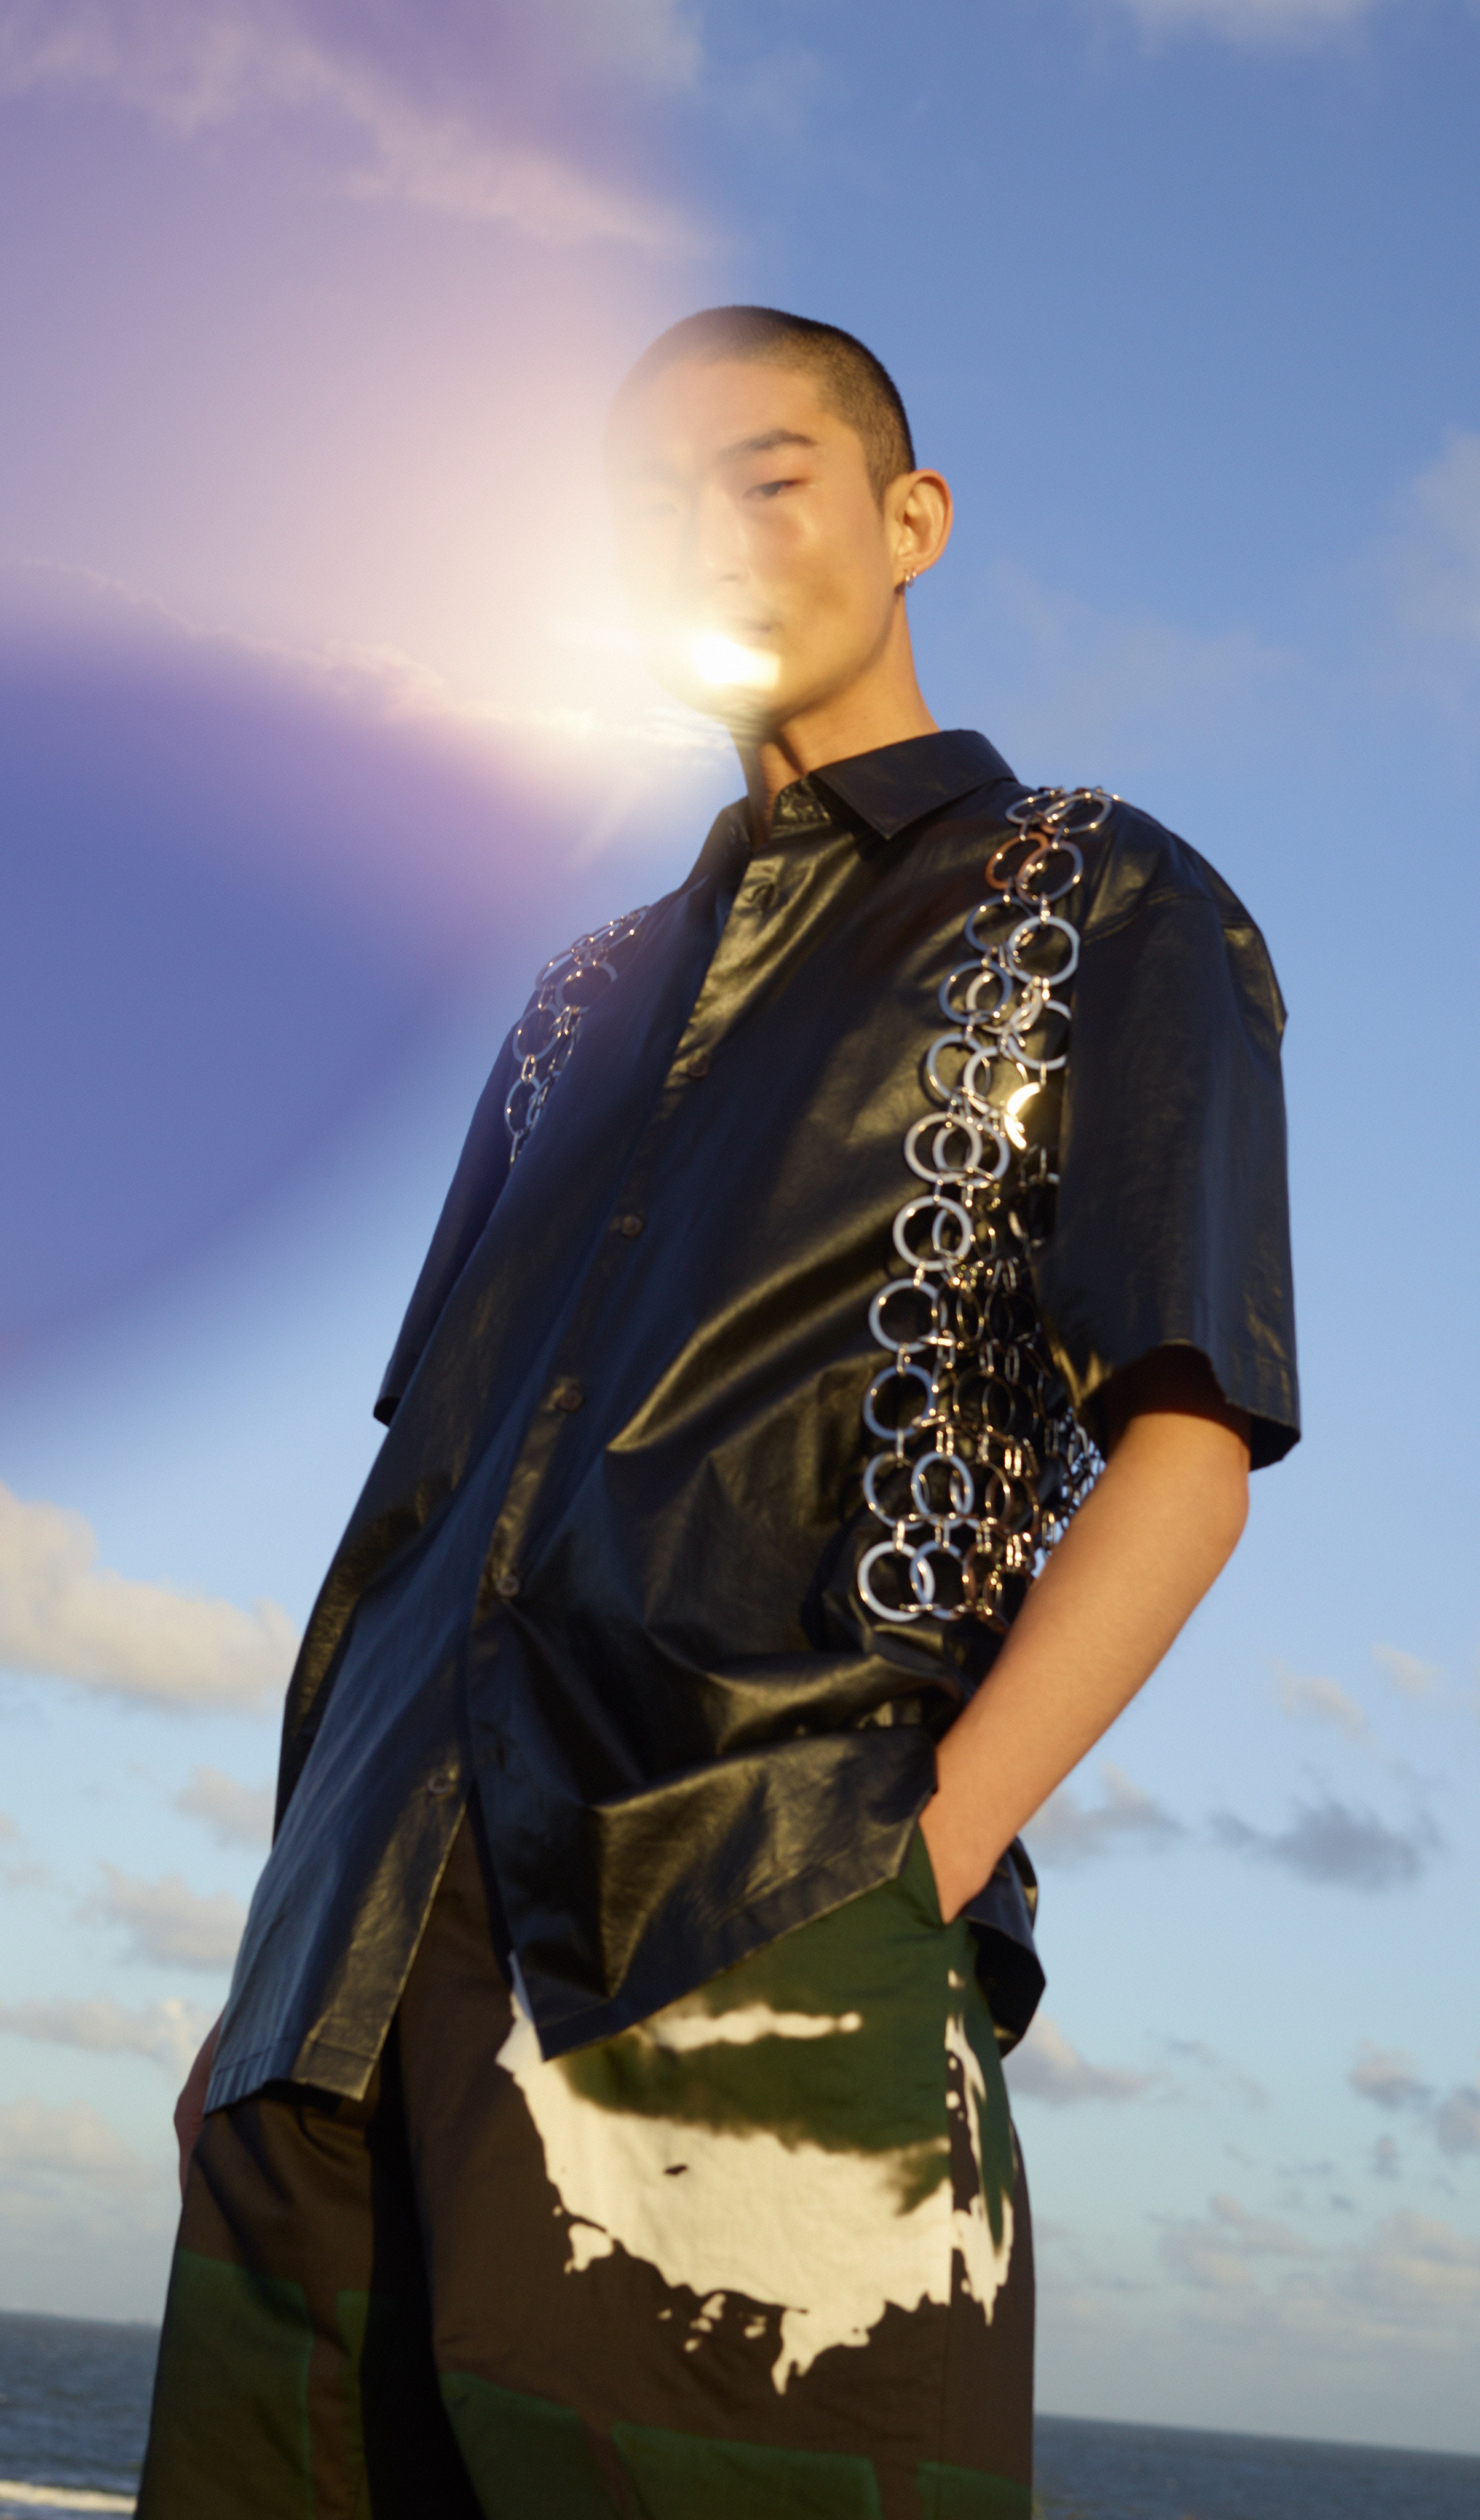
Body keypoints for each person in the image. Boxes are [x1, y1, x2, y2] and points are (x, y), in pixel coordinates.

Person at [135, 306, 1298, 2520]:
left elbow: (1188, 1433)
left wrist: (905, 1866)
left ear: (907, 516)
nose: (712, 538)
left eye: (766, 478)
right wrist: (269, 1965)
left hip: (757, 1930)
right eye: (647, 513)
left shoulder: (1093, 893)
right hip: (338, 2000)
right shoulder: (570, 1001)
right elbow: (420, 1510)